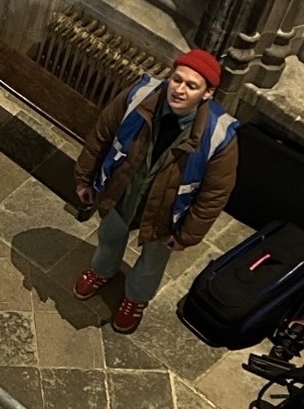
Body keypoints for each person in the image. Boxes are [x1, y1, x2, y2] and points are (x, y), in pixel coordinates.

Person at [72, 49, 240, 334]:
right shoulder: (140, 96)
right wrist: (85, 178)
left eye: (191, 85)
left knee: (152, 260)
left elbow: (215, 193)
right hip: (123, 191)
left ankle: (135, 298)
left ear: (208, 93)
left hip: (168, 211)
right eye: (177, 79)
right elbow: (102, 134)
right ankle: (103, 271)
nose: (180, 90)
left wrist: (187, 234)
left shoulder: (219, 135)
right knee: (109, 236)